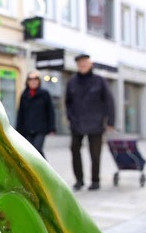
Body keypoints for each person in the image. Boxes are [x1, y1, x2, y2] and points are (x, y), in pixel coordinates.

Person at [65, 54, 115, 191]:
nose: (82, 65)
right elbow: (67, 102)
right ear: (77, 65)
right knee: (74, 149)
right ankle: (79, 180)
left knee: (95, 153)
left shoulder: (99, 81)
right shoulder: (72, 82)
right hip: (77, 122)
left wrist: (110, 121)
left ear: (90, 64)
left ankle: (95, 180)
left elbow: (109, 101)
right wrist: (70, 117)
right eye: (80, 63)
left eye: (85, 63)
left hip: (96, 122)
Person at [15, 70, 55, 158]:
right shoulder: (24, 95)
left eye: (36, 78)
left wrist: (52, 127)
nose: (33, 81)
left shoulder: (45, 94)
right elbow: (20, 113)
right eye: (30, 79)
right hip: (27, 128)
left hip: (40, 128)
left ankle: (45, 169)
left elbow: (50, 111)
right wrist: (18, 129)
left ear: (39, 81)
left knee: (37, 149)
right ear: (27, 81)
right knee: (29, 151)